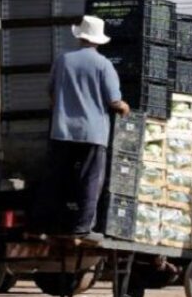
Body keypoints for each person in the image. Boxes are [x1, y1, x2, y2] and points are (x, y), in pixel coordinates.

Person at [45, 15, 130, 240]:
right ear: (99, 41)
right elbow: (114, 101)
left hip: (62, 131)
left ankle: (52, 224)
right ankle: (82, 228)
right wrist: (125, 108)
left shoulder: (63, 60)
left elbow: (52, 93)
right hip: (93, 133)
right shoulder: (104, 65)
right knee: (90, 180)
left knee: (59, 179)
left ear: (80, 37)